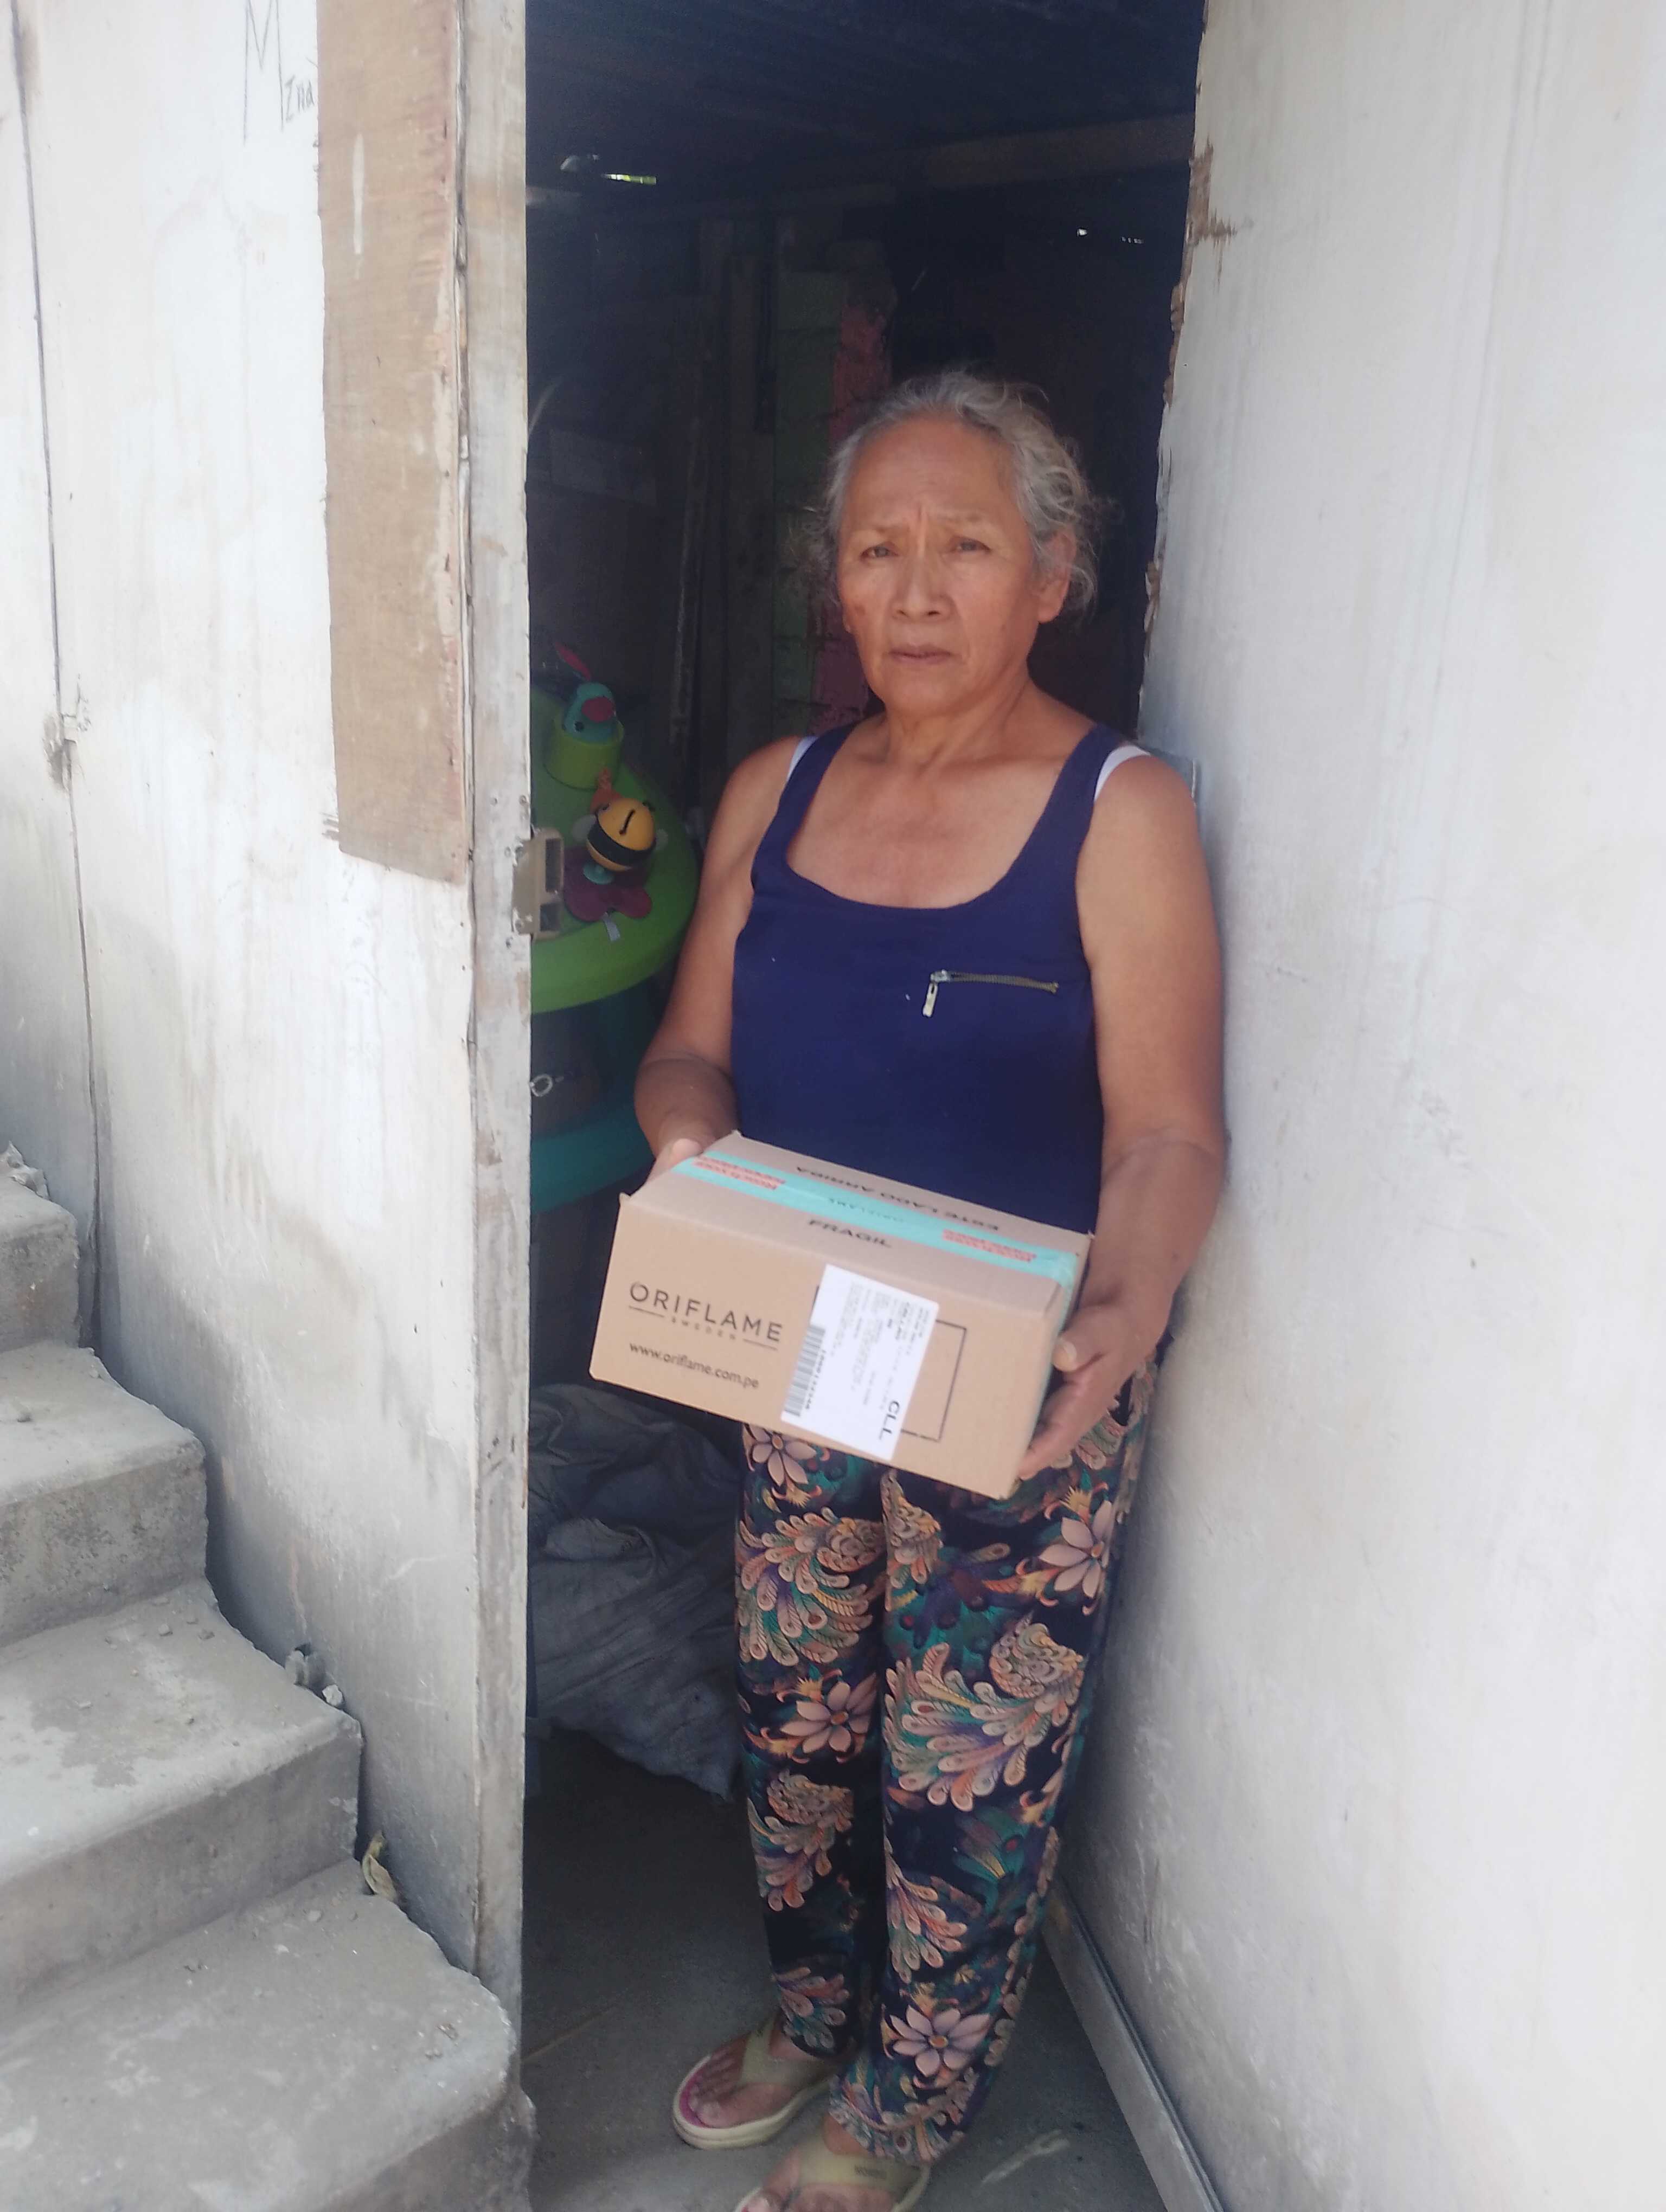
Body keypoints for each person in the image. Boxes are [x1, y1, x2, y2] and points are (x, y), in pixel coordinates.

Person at [635, 369, 1224, 2212]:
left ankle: (911, 2101)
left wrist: (1130, 1305)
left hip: (1021, 1385)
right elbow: (687, 1057)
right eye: (875, 548)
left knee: (968, 1764)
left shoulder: (1117, 810)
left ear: (1051, 575)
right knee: (799, 1714)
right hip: (808, 1350)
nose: (912, 588)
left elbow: (1169, 1132)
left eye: (963, 545)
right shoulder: (776, 792)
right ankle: (820, 2011)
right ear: (834, 579)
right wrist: (692, 1161)